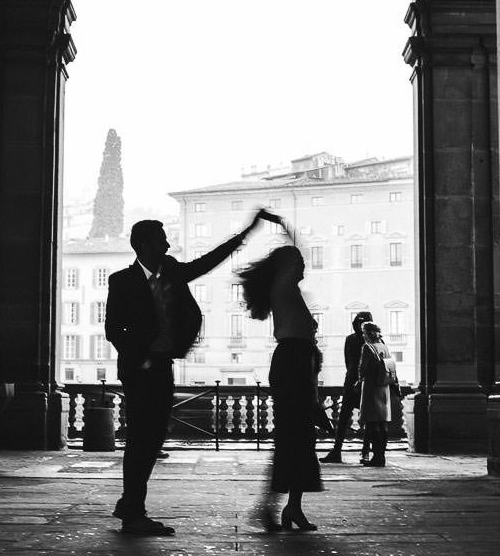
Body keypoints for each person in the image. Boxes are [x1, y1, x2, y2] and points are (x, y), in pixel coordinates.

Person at [105, 209, 268, 536]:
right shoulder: (121, 281)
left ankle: (130, 503)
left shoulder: (172, 271)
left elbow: (208, 261)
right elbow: (113, 329)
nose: (168, 243)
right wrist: (144, 356)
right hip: (139, 370)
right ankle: (133, 512)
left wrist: (244, 235)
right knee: (142, 438)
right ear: (144, 245)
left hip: (163, 366)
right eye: (162, 239)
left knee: (151, 438)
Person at [241, 239, 322, 532]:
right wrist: (285, 227)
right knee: (292, 438)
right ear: (288, 267)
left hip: (298, 364)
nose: (304, 265)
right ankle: (270, 508)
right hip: (293, 365)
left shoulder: (291, 292)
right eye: (299, 262)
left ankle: (292, 507)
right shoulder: (283, 289)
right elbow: (295, 250)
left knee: (301, 439)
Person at [319, 309, 374, 464]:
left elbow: (348, 362)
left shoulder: (355, 340)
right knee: (348, 418)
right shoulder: (367, 340)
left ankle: (352, 452)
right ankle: (356, 452)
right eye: (357, 323)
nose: (359, 326)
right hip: (356, 383)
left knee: (356, 419)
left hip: (358, 383)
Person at [356, 320, 398, 468]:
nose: (363, 335)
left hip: (371, 388)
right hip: (384, 387)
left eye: (364, 332)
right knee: (382, 423)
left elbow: (363, 368)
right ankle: (381, 456)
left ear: (368, 333)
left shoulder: (367, 347)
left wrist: (359, 380)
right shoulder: (384, 347)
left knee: (373, 423)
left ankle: (377, 456)